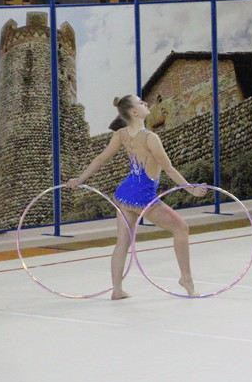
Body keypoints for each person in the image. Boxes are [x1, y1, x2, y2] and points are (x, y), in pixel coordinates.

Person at [66, 95, 207, 299]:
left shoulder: (121, 134)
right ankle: (186, 279)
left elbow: (100, 159)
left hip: (124, 195)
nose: (146, 104)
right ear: (134, 112)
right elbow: (168, 168)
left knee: (122, 242)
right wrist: (191, 189)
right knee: (181, 228)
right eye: (141, 103)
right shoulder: (150, 138)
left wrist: (80, 179)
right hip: (143, 197)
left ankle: (117, 289)